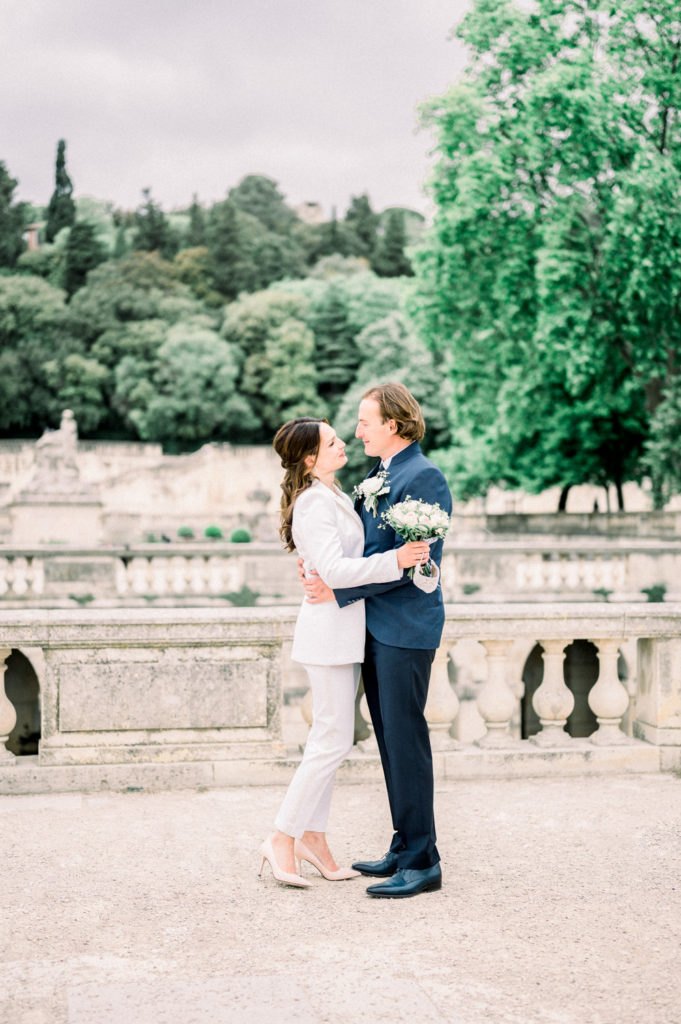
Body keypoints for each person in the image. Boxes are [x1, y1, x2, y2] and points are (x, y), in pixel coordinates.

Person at [259, 416, 430, 889]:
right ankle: (282, 836)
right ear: (310, 458)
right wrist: (394, 560)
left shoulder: (335, 493)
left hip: (344, 630)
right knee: (331, 740)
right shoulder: (314, 501)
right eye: (332, 441)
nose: (344, 444)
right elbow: (334, 569)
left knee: (332, 736)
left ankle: (312, 835)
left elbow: (329, 560)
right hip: (329, 633)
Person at [302, 383, 453, 898]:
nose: (358, 429)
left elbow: (414, 562)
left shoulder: (423, 476)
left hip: (406, 629)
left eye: (366, 421)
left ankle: (423, 860)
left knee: (406, 739)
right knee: (389, 739)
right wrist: (323, 572)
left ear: (393, 424)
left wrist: (339, 587)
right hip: (375, 627)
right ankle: (405, 843)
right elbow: (365, 547)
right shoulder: (378, 475)